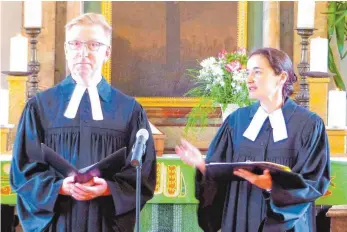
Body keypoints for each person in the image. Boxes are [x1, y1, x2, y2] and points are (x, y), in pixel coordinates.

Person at [10, 13, 156, 232]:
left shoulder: (129, 110)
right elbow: (24, 169)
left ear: (107, 52)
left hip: (105, 221)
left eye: (93, 45)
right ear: (67, 50)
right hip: (58, 221)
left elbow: (142, 172)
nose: (83, 53)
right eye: (75, 44)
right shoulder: (40, 107)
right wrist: (59, 187)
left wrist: (108, 188)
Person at [176, 47, 330, 232]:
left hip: (287, 226)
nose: (249, 79)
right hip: (240, 219)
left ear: (281, 77)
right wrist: (203, 166)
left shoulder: (308, 125)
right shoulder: (236, 121)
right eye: (247, 72)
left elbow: (313, 182)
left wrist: (274, 187)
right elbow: (219, 178)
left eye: (257, 72)